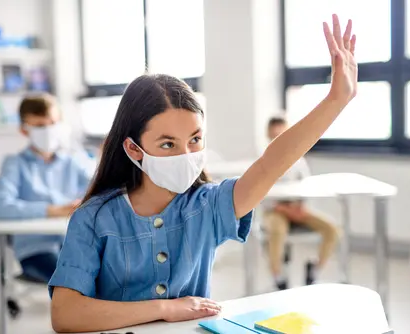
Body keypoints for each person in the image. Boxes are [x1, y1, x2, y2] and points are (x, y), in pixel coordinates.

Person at [49, 15, 357, 333]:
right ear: (134, 150)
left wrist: (336, 101)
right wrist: (164, 309)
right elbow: (66, 314)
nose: (186, 155)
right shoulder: (93, 218)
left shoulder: (207, 206)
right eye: (167, 144)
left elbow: (270, 164)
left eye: (195, 139)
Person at [0, 93, 92, 283]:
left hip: (74, 245)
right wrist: (53, 210)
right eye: (39, 126)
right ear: (24, 130)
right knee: (74, 281)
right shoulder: (15, 164)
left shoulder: (73, 161)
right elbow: (1, 206)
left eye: (52, 123)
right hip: (36, 250)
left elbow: (99, 189)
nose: (48, 130)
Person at [264, 116, 339, 290]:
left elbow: (306, 187)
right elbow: (262, 197)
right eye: (275, 135)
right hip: (276, 210)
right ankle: (278, 275)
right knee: (277, 230)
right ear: (268, 135)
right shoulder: (263, 161)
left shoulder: (299, 160)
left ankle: (315, 270)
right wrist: (285, 210)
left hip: (298, 208)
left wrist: (299, 208)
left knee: (331, 229)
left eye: (282, 134)